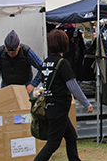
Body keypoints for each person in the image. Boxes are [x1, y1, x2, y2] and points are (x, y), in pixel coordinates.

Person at [35, 30, 93, 161]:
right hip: (59, 107)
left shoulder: (45, 63)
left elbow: (42, 82)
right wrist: (87, 103)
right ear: (64, 44)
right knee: (53, 143)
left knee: (71, 136)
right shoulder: (62, 63)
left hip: (51, 107)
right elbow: (73, 86)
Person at [0, 30, 43, 95]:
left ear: (19, 46)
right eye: (8, 52)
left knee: (26, 105)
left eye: (14, 52)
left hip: (24, 85)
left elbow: (42, 67)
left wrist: (33, 84)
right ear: (5, 48)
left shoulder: (27, 52)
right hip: (6, 85)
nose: (11, 54)